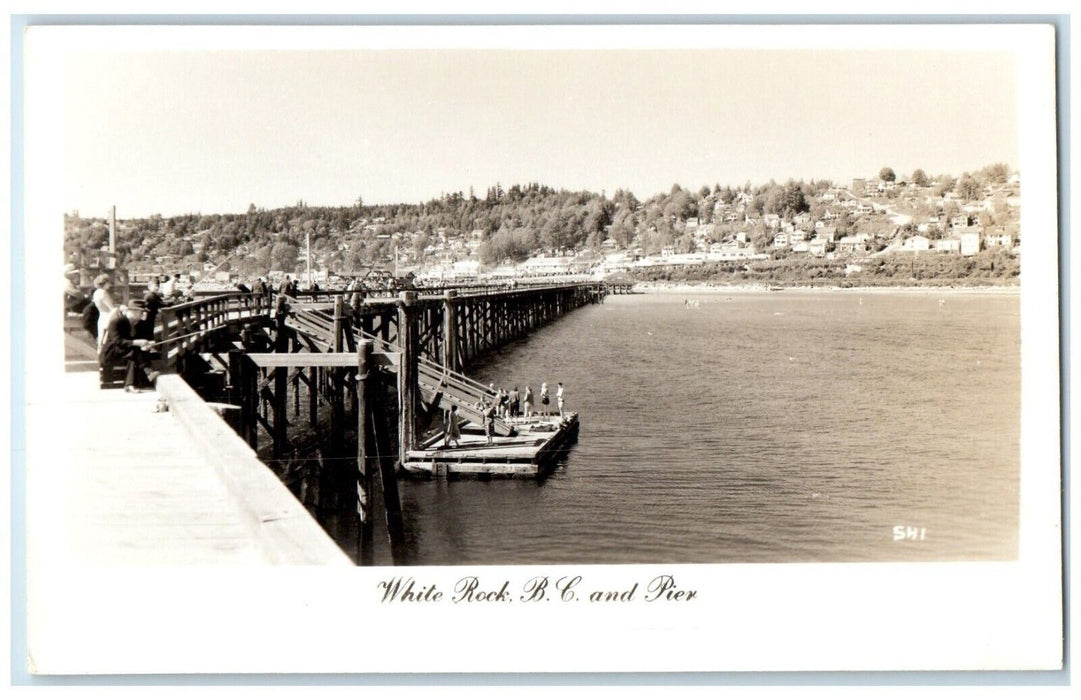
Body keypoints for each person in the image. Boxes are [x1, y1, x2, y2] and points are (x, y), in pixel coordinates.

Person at [100, 299, 159, 393]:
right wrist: (137, 343)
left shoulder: (137, 323)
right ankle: (147, 371)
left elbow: (137, 340)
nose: (142, 315)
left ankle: (130, 384)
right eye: (141, 312)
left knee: (134, 354)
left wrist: (147, 344)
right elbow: (117, 341)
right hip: (112, 350)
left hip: (127, 350)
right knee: (134, 351)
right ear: (133, 311)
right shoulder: (116, 321)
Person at [91, 274, 117, 350]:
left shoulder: (96, 292)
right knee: (107, 338)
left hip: (101, 316)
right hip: (108, 316)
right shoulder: (103, 293)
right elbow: (112, 308)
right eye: (109, 283)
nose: (110, 284)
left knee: (101, 338)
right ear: (104, 283)